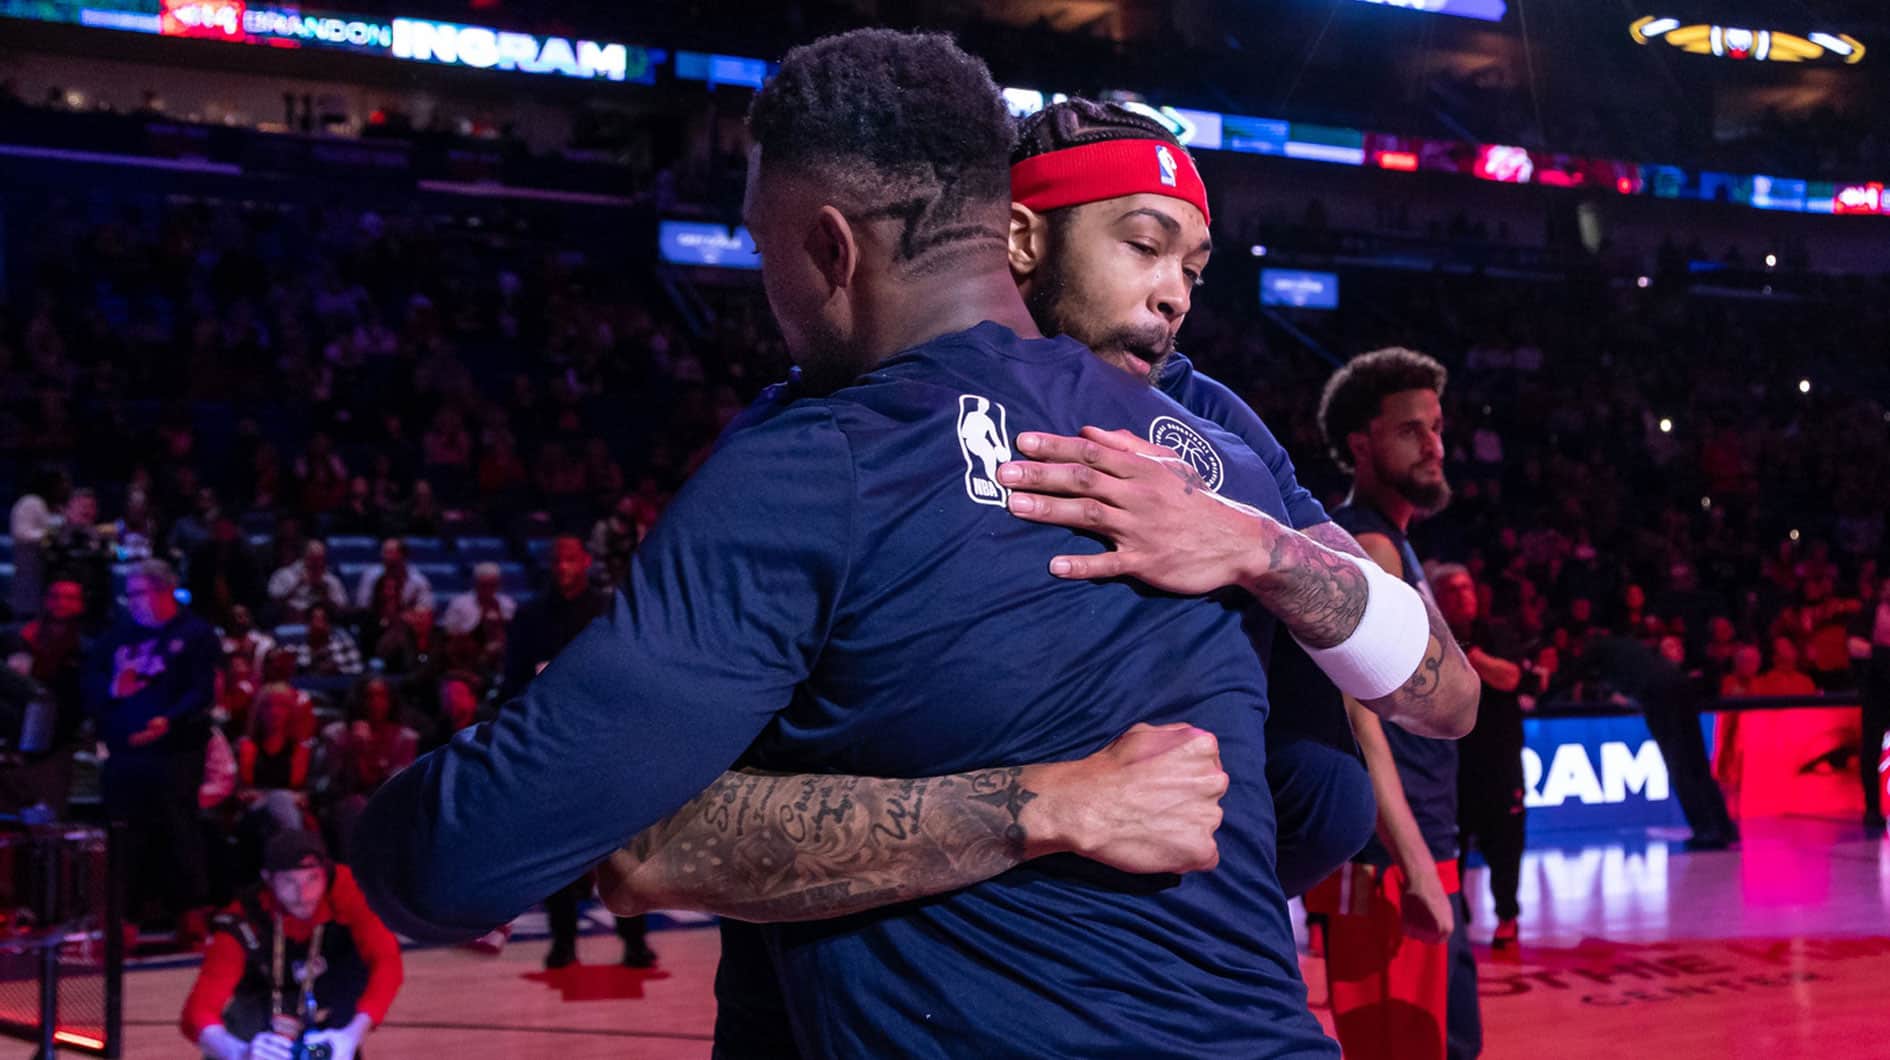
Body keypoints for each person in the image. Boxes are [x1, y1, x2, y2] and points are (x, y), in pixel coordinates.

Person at [359, 33, 1465, 1056]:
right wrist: (1052, 811)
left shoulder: (823, 455)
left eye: (761, 247)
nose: (1175, 291)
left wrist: (1259, 554)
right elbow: (1318, 805)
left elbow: (457, 857)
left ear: (831, 247)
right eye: (1145, 244)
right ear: (1010, 231)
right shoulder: (1205, 447)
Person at [1305, 347, 1480, 1060]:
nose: (1434, 443)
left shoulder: (1395, 545)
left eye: (1436, 426)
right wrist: (1412, 864)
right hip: (1385, 865)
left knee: (1445, 1045)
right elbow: (1359, 717)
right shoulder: (1369, 546)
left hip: (1418, 850)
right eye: (1411, 429)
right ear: (1361, 445)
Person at [496, 537, 654, 969]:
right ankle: (563, 943)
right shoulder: (529, 618)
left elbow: (629, 675)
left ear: (585, 562)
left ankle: (635, 940)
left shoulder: (607, 610)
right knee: (558, 853)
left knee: (623, 850)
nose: (563, 566)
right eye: (558, 559)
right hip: (552, 748)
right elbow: (512, 684)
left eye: (571, 558)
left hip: (606, 745)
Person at [83, 559, 220, 931]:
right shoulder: (115, 638)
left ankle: (190, 913)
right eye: (129, 595)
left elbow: (201, 690)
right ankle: (122, 915)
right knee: (125, 833)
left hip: (175, 750)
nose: (133, 602)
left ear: (163, 591)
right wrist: (114, 690)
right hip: (126, 752)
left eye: (139, 593)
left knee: (178, 828)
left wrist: (168, 720)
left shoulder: (195, 634)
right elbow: (92, 686)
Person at [183, 831, 402, 1060]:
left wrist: (352, 1034)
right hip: (267, 996)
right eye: (289, 881)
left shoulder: (350, 888)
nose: (304, 894)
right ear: (268, 878)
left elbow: (387, 962)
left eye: (313, 878)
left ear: (325, 873)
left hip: (337, 990)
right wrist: (237, 1052)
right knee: (235, 1033)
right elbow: (199, 1009)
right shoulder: (243, 918)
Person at [1432, 562, 1535, 950]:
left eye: (1467, 589)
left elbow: (1510, 677)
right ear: (1438, 599)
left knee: (1506, 844)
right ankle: (1456, 915)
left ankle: (1507, 915)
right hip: (1451, 763)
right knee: (1450, 847)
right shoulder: (1431, 636)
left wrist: (1470, 657)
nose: (1462, 597)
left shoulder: (1497, 633)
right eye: (1453, 591)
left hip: (1500, 762)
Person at [3, 578, 89, 814]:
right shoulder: (15, 638)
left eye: (69, 598)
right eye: (55, 596)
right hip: (10, 742)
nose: (60, 603)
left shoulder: (87, 650)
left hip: (56, 746)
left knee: (46, 819)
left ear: (81, 605)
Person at [1861, 574, 1890, 836]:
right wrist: (1881, 653)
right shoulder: (1871, 611)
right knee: (1871, 748)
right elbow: (1853, 646)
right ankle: (1872, 808)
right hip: (1876, 689)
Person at [266, 542, 348, 624]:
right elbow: (274, 604)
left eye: (320, 560)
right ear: (304, 558)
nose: (317, 564)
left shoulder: (331, 581)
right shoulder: (283, 575)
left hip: (322, 627)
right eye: (313, 560)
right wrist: (297, 585)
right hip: (290, 623)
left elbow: (342, 609)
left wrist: (325, 595)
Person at [352, 538, 433, 613]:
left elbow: (426, 610)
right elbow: (362, 606)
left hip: (404, 623)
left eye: (389, 552)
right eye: (384, 552)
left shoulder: (418, 581)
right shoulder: (371, 575)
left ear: (402, 555)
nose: (384, 556)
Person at [294, 603, 364, 677]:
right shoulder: (299, 642)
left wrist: (337, 670)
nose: (318, 623)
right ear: (308, 622)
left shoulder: (343, 640)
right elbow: (294, 672)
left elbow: (358, 669)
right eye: (315, 618)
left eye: (323, 619)